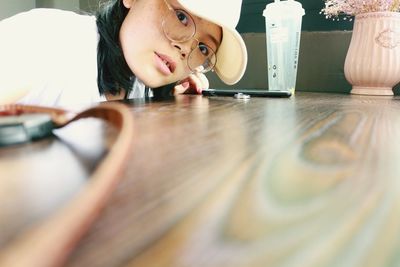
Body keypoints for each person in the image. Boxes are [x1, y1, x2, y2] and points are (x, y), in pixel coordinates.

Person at [0, 0, 247, 107]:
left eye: (203, 48)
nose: (186, 49)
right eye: (181, 17)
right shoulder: (50, 38)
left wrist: (169, 96)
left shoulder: (140, 84)